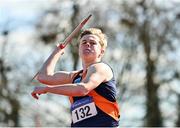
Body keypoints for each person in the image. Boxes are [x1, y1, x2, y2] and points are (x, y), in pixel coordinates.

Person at [31, 28, 120, 127]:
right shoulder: (75, 76)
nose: (87, 44)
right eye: (84, 42)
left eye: (93, 43)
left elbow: (83, 89)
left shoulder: (101, 68)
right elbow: (44, 77)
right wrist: (56, 53)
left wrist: (47, 89)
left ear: (101, 52)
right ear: (79, 50)